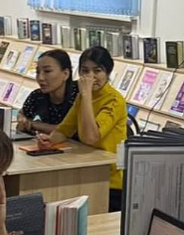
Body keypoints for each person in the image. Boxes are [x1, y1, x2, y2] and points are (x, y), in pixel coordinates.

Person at [37, 46, 127, 212]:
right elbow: (64, 130)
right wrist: (49, 140)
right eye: (85, 71)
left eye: (97, 71)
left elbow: (90, 137)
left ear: (108, 73)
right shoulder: (82, 97)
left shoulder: (114, 100)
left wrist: (86, 95)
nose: (90, 77)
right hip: (87, 169)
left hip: (110, 179)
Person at [16, 49, 78, 136]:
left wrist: (35, 125)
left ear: (66, 74)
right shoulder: (36, 96)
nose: (40, 78)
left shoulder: (79, 95)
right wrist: (22, 120)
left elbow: (70, 130)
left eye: (47, 71)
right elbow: (22, 114)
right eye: (37, 72)